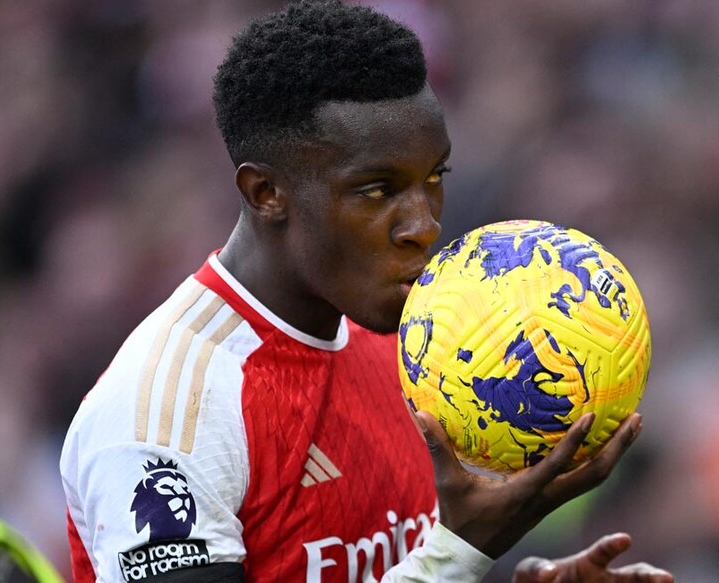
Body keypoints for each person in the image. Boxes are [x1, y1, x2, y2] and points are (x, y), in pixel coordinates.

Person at [58, 1, 672, 582]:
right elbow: (438, 562)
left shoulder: (423, 352)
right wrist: (458, 556)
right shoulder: (166, 415)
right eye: (377, 189)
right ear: (266, 193)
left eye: (434, 178)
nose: (424, 224)